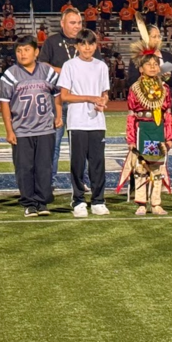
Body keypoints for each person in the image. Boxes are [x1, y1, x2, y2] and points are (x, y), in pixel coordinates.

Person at [0, 35, 63, 217]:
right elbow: (4, 103)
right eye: (19, 51)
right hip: (21, 129)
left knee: (44, 167)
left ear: (36, 52)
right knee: (24, 168)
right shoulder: (10, 74)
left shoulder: (47, 71)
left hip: (45, 128)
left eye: (27, 50)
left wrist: (58, 115)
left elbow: (57, 94)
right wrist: (9, 130)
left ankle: (42, 202)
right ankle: (29, 203)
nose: (22, 54)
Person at [57, 29, 111, 217]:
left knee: (97, 164)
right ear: (77, 46)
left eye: (91, 44)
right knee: (78, 164)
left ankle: (98, 201)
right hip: (77, 122)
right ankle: (78, 200)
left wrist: (102, 101)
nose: (87, 48)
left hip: (97, 123)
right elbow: (64, 96)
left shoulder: (101, 66)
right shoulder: (69, 66)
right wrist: (90, 98)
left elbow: (104, 93)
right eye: (83, 44)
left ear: (96, 46)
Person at [123, 37, 172, 215]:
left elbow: (168, 115)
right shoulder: (135, 88)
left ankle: (156, 203)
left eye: (155, 64)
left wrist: (170, 137)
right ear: (140, 68)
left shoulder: (165, 89)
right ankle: (141, 203)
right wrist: (131, 139)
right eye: (148, 64)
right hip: (142, 131)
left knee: (157, 167)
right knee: (141, 166)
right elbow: (131, 116)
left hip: (158, 130)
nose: (153, 67)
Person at [39, 8, 83, 184]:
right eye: (72, 23)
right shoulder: (52, 41)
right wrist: (67, 72)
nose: (77, 26)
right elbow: (42, 66)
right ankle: (49, 181)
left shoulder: (86, 41)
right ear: (62, 23)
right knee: (53, 145)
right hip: (55, 101)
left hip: (79, 101)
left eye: (79, 23)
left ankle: (81, 181)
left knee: (80, 147)